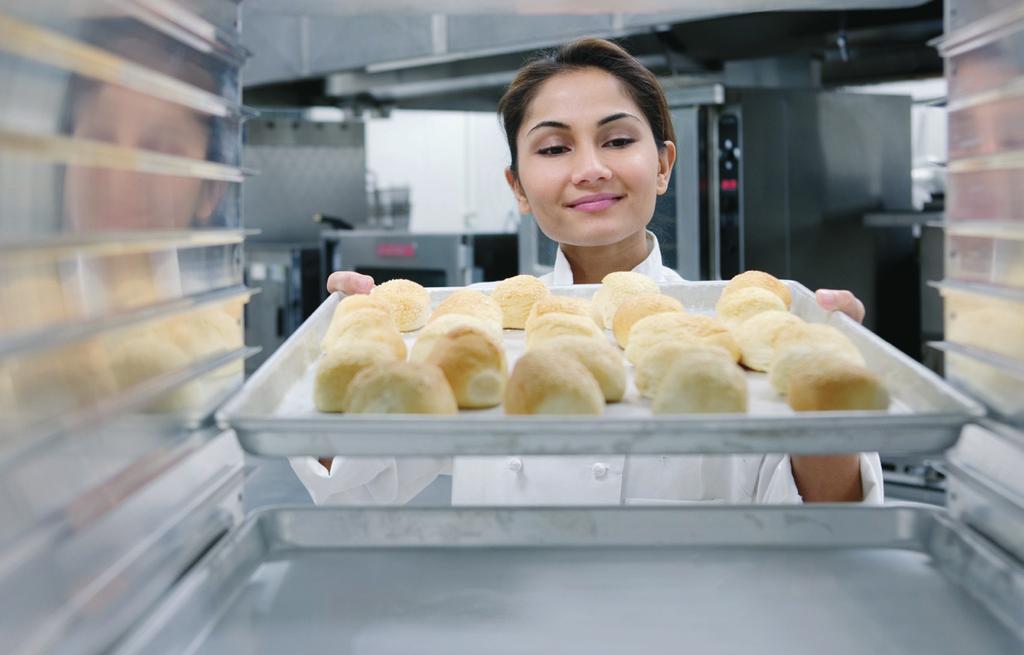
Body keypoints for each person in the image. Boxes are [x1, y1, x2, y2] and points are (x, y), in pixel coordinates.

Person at [296, 38, 879, 506]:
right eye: (554, 149)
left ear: (663, 166)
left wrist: (829, 387)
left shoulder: (730, 336)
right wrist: (344, 349)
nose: (591, 169)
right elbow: (351, 484)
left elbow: (833, 520)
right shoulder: (469, 333)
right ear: (518, 188)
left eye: (618, 139)